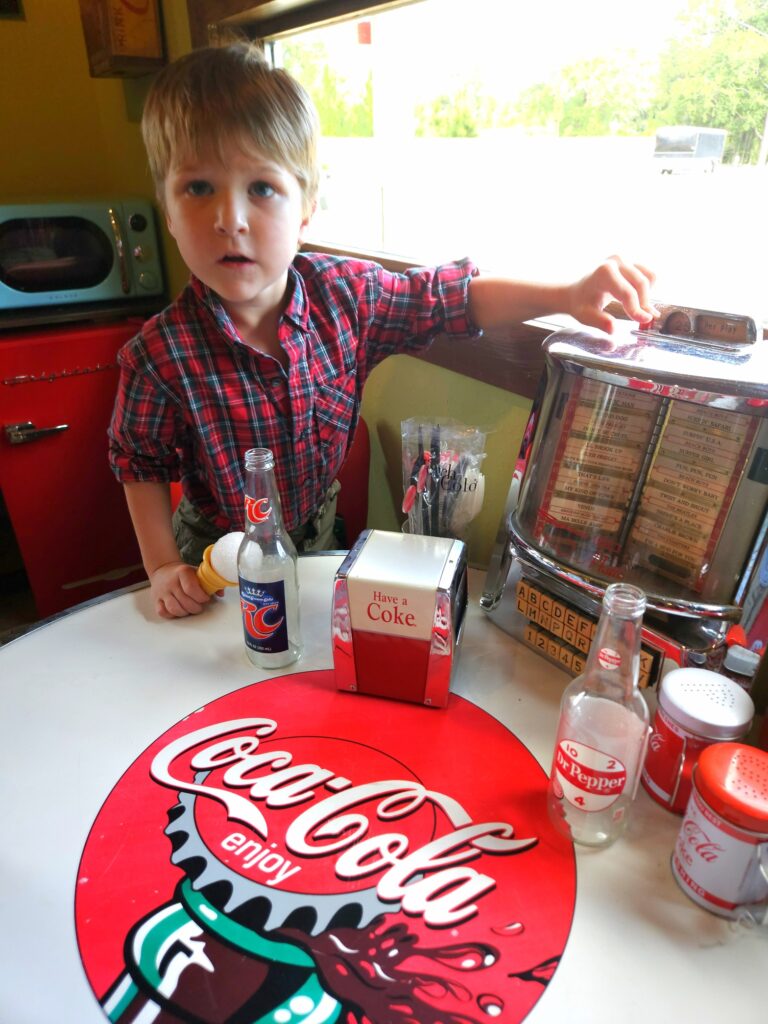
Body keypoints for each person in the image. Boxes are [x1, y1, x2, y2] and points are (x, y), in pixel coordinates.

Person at [109, 42, 657, 621]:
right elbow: (137, 460)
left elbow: (450, 298)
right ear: (166, 211)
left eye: (261, 188)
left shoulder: (347, 297)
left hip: (319, 531)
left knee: (314, 660)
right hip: (216, 554)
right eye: (198, 188)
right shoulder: (156, 354)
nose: (231, 219)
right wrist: (162, 565)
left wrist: (567, 295)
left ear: (306, 209)